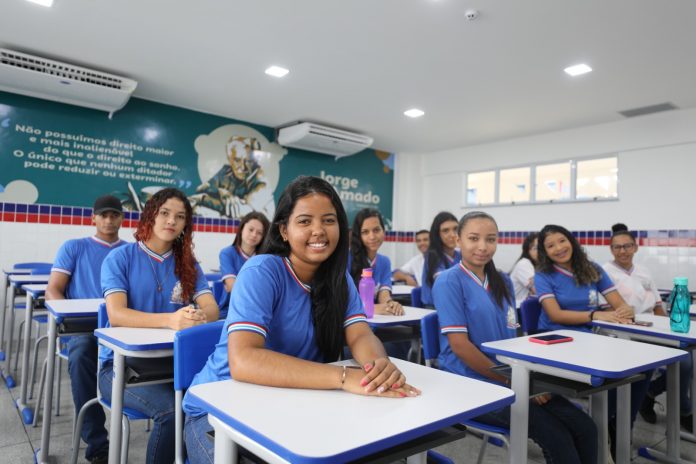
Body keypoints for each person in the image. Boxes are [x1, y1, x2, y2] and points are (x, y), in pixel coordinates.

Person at [182, 176, 420, 464]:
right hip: (218, 412)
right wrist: (344, 378)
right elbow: (243, 359)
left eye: (329, 220)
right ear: (283, 230)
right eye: (305, 221)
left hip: (292, 403)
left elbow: (360, 335)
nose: (318, 231)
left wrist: (376, 368)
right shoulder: (262, 271)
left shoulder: (339, 279)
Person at [433, 211, 598, 464]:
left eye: (490, 239)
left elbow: (514, 334)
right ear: (458, 240)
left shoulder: (503, 281)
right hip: (471, 383)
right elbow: (460, 346)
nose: (482, 247)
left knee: (586, 427)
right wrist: (513, 382)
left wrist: (528, 377)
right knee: (557, 437)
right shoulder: (448, 281)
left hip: (512, 375)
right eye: (473, 238)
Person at [100, 188, 219, 464]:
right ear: (150, 216)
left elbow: (212, 308)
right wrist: (171, 320)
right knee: (170, 413)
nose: (171, 221)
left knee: (214, 406)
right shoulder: (120, 258)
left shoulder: (188, 264)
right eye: (164, 213)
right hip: (122, 369)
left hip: (174, 365)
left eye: (179, 217)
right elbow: (116, 314)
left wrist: (199, 316)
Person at [45, 195, 126, 464]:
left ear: (122, 219)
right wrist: (67, 313)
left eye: (114, 214)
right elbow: (53, 290)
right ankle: (97, 445)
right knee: (80, 354)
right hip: (83, 328)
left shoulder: (128, 251)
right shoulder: (74, 247)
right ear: (93, 218)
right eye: (103, 215)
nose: (109, 220)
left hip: (117, 326)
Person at [604, 224, 694, 431]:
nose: (622, 251)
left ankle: (652, 394)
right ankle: (684, 411)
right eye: (617, 247)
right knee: (683, 364)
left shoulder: (643, 271)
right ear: (611, 250)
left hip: (651, 328)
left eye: (627, 246)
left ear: (635, 247)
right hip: (623, 331)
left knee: (686, 361)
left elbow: (657, 306)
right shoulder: (605, 272)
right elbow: (608, 309)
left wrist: (667, 330)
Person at [534, 224, 634, 332]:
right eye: (550, 246)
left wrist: (626, 310)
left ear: (571, 241)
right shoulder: (542, 275)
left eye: (562, 241)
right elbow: (556, 315)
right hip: (554, 335)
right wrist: (594, 315)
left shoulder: (593, 268)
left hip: (589, 334)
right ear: (545, 252)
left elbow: (619, 304)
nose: (559, 248)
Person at [349, 208, 404, 316]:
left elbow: (383, 292)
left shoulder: (384, 262)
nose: (372, 237)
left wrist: (390, 304)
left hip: (375, 322)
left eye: (376, 230)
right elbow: (341, 300)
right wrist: (371, 308)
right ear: (358, 236)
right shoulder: (346, 260)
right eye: (365, 232)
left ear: (383, 231)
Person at [218, 211, 269, 307]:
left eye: (259, 233)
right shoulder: (227, 253)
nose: (254, 235)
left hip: (258, 309)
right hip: (228, 310)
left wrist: (239, 285)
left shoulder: (264, 259)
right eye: (250, 229)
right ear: (241, 229)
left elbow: (267, 290)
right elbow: (232, 286)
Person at [421, 212, 460, 308]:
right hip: (435, 308)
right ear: (437, 235)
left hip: (456, 305)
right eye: (445, 231)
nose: (452, 235)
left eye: (456, 229)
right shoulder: (432, 255)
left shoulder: (461, 255)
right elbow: (446, 283)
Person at [510, 232, 539, 307]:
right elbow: (538, 290)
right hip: (517, 308)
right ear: (527, 251)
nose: (540, 252)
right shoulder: (524, 264)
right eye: (535, 248)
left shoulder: (538, 265)